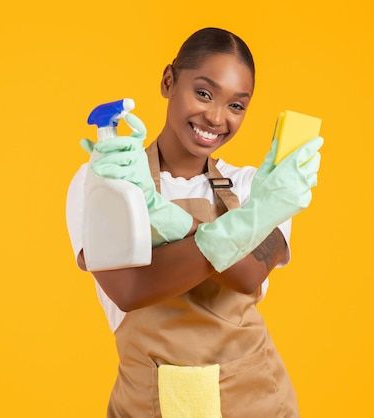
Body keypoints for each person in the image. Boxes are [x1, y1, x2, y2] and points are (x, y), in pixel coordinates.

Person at [66, 27, 323, 418]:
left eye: (237, 106)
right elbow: (131, 289)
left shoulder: (257, 186)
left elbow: (246, 275)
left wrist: (166, 219)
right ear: (169, 81)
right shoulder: (105, 180)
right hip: (148, 403)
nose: (216, 117)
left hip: (256, 402)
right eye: (203, 93)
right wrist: (248, 221)